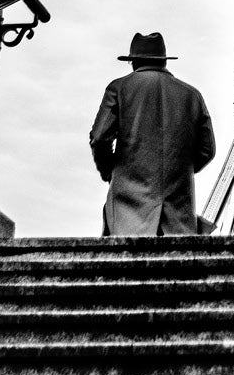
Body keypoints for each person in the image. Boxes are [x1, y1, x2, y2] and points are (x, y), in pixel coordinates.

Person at [89, 31, 216, 237]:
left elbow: (100, 138)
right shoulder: (192, 96)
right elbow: (207, 150)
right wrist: (178, 170)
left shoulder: (119, 88)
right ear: (164, 61)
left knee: (124, 266)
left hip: (128, 209)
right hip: (177, 213)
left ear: (133, 61)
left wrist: (110, 172)